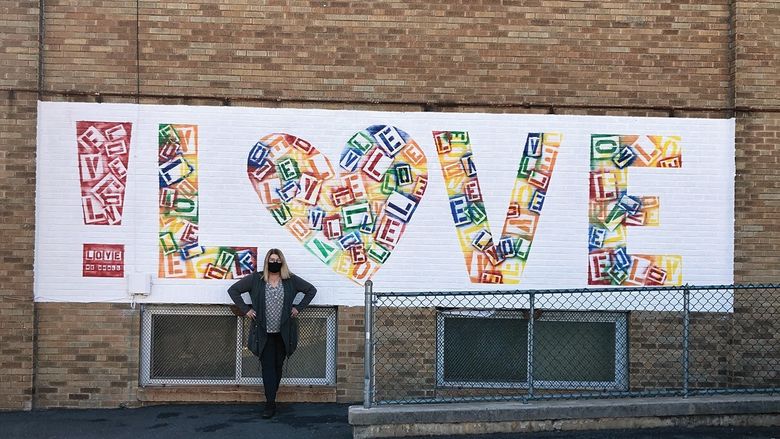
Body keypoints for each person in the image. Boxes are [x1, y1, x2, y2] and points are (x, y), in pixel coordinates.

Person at [228, 248, 317, 419]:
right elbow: (234, 290)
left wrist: (298, 308)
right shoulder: (257, 279)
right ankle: (270, 403)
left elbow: (311, 290)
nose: (274, 263)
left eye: (277, 260)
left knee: (277, 366)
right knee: (268, 367)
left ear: (282, 262)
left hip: (284, 332)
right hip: (264, 332)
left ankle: (271, 397)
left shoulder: (290, 280)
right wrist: (246, 310)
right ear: (267, 261)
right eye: (271, 259)